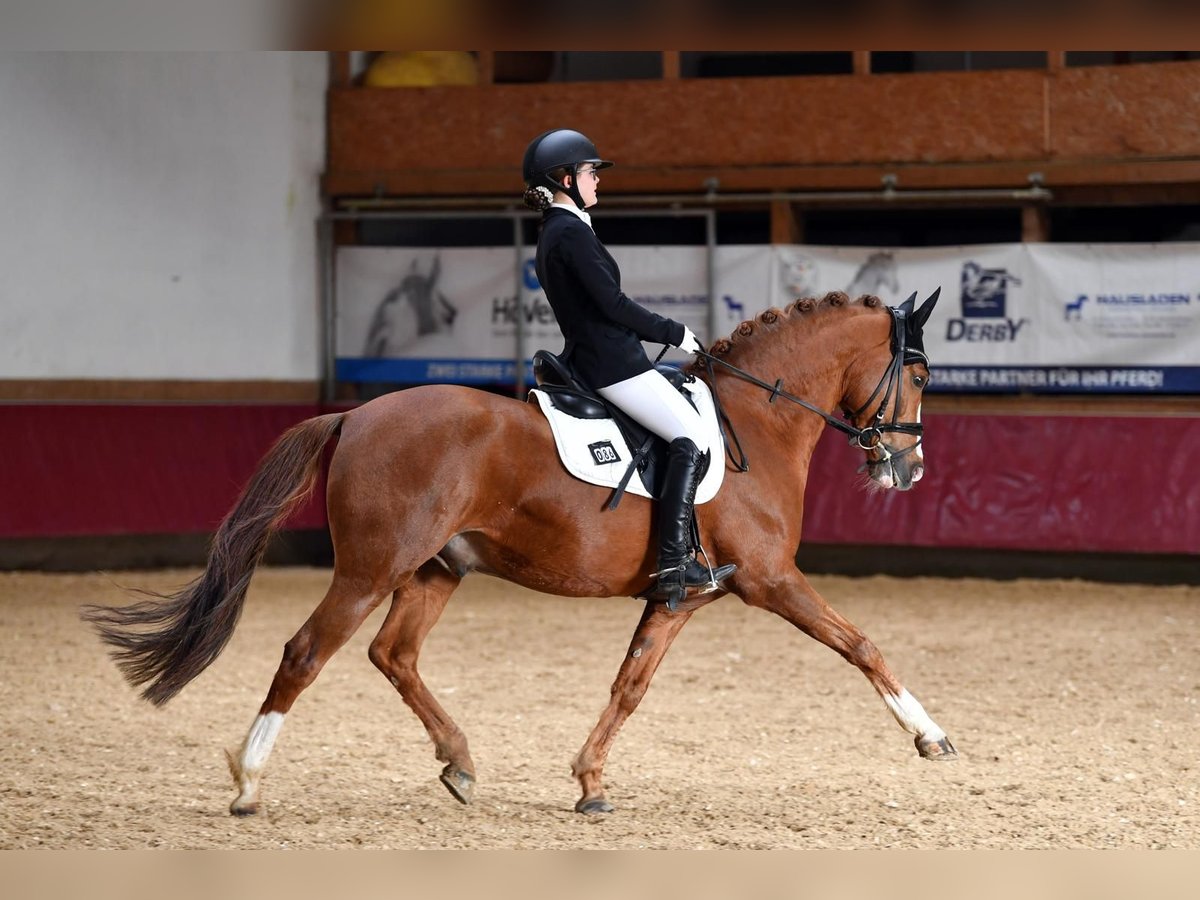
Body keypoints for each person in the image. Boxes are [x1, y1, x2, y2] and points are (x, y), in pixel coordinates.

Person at [522, 128, 737, 609]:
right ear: (563, 178)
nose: (597, 180)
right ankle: (674, 560)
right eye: (589, 172)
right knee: (691, 439)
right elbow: (612, 305)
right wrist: (673, 332)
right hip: (612, 363)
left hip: (599, 356)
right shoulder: (569, 233)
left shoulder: (562, 230)